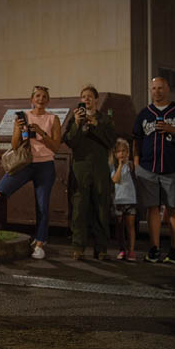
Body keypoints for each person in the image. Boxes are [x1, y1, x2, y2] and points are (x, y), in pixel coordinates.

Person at [0, 85, 62, 260]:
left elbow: (56, 147)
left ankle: (40, 242)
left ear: (48, 100)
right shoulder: (23, 117)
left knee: (42, 205)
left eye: (44, 97)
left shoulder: (53, 119)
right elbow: (15, 145)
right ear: (31, 99)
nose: (40, 99)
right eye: (37, 96)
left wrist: (41, 132)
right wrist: (19, 128)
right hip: (24, 163)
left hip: (45, 165)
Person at [131, 76, 175, 263]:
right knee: (152, 209)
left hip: (172, 167)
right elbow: (137, 138)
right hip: (148, 167)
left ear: (168, 89)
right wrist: (136, 161)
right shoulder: (144, 113)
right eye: (154, 88)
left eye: (160, 88)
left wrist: (172, 130)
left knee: (172, 210)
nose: (157, 91)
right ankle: (154, 248)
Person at [63, 85, 116, 260]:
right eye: (83, 96)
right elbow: (70, 141)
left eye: (90, 97)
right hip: (81, 168)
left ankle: (101, 249)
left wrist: (96, 124)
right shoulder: (75, 118)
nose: (86, 99)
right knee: (79, 208)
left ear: (96, 100)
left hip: (100, 168)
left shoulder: (104, 119)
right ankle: (78, 247)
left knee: (101, 207)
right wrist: (78, 124)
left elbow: (110, 140)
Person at [111, 137, 137, 261]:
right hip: (118, 200)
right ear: (115, 154)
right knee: (120, 227)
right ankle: (122, 249)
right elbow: (116, 179)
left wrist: (127, 163)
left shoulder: (130, 165)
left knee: (130, 226)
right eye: (119, 151)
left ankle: (131, 251)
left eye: (124, 151)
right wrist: (120, 166)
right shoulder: (113, 167)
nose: (122, 154)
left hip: (130, 200)